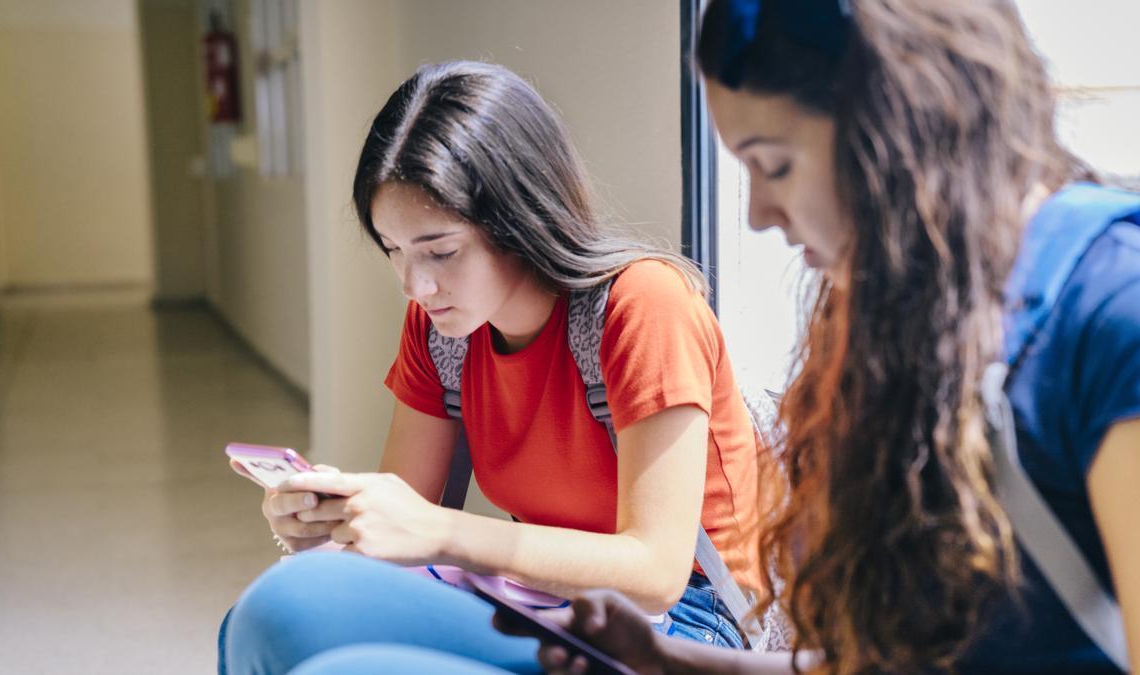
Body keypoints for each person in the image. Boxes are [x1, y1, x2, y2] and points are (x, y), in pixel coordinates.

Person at [292, 0, 1140, 673]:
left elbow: (660, 571)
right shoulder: (891, 322)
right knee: (290, 610)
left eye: (773, 165)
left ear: (908, 132)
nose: (757, 214)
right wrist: (674, 663)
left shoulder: (1111, 308)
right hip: (619, 623)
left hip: (671, 605)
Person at [219, 60, 765, 675]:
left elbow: (655, 573)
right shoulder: (442, 330)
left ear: (520, 219)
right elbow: (404, 530)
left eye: (441, 251)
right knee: (269, 614)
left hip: (685, 630)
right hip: (536, 597)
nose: (415, 285)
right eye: (393, 250)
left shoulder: (643, 306)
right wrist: (328, 525)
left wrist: (445, 534)